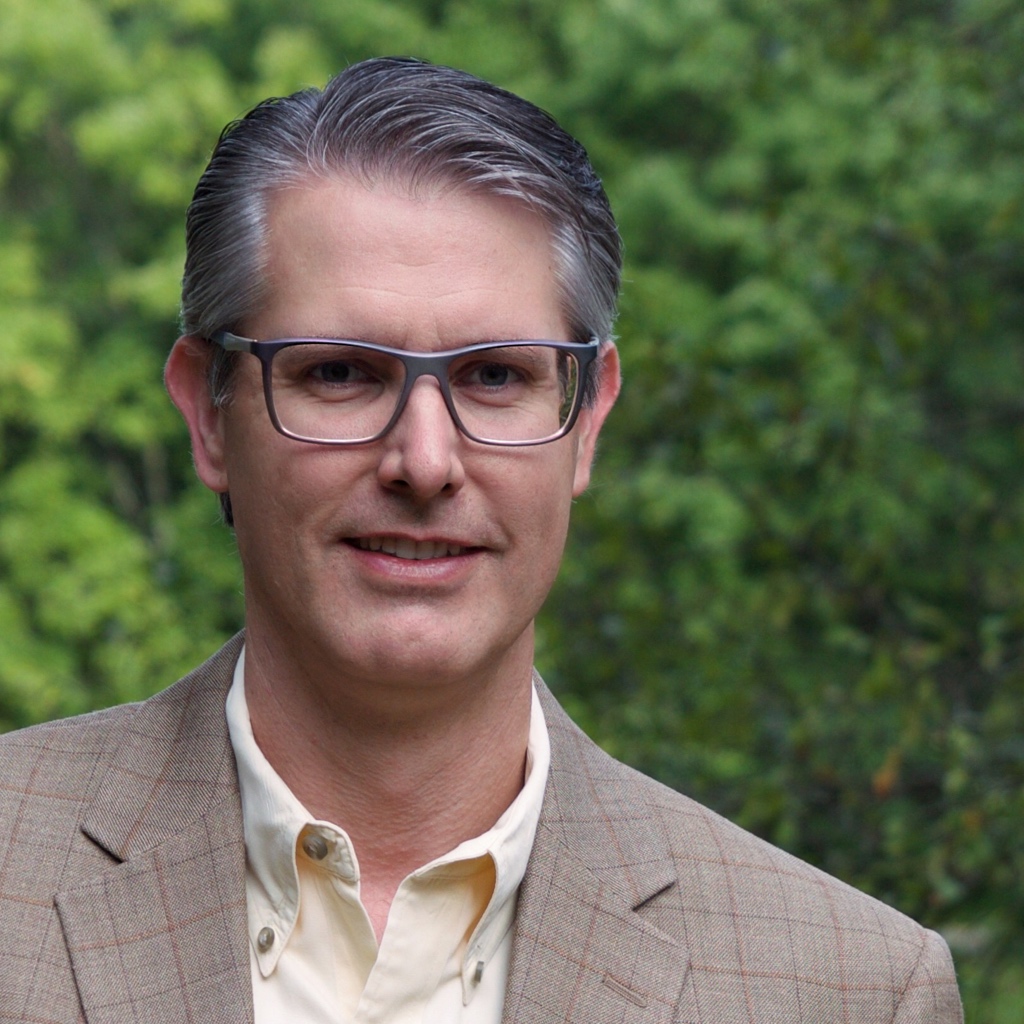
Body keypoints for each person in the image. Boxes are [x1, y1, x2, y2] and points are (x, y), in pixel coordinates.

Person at [0, 57, 962, 1023]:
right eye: (340, 373)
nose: (424, 461)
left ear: (587, 422)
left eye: (496, 377)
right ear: (208, 417)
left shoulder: (849, 990)